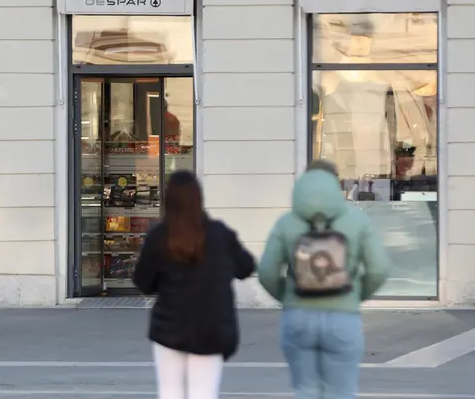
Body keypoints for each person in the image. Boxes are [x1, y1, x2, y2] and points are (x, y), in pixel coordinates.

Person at [258, 160, 391, 399]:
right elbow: (379, 269)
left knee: (306, 391)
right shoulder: (356, 220)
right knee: (341, 392)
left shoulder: (286, 222)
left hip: (297, 316)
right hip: (343, 316)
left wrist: (288, 296)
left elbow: (267, 272)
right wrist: (354, 295)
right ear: (334, 182)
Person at [133, 170, 256, 399]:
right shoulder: (220, 233)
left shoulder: (159, 236)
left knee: (170, 392)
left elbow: (143, 282)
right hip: (211, 328)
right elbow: (246, 266)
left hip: (170, 327)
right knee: (204, 393)